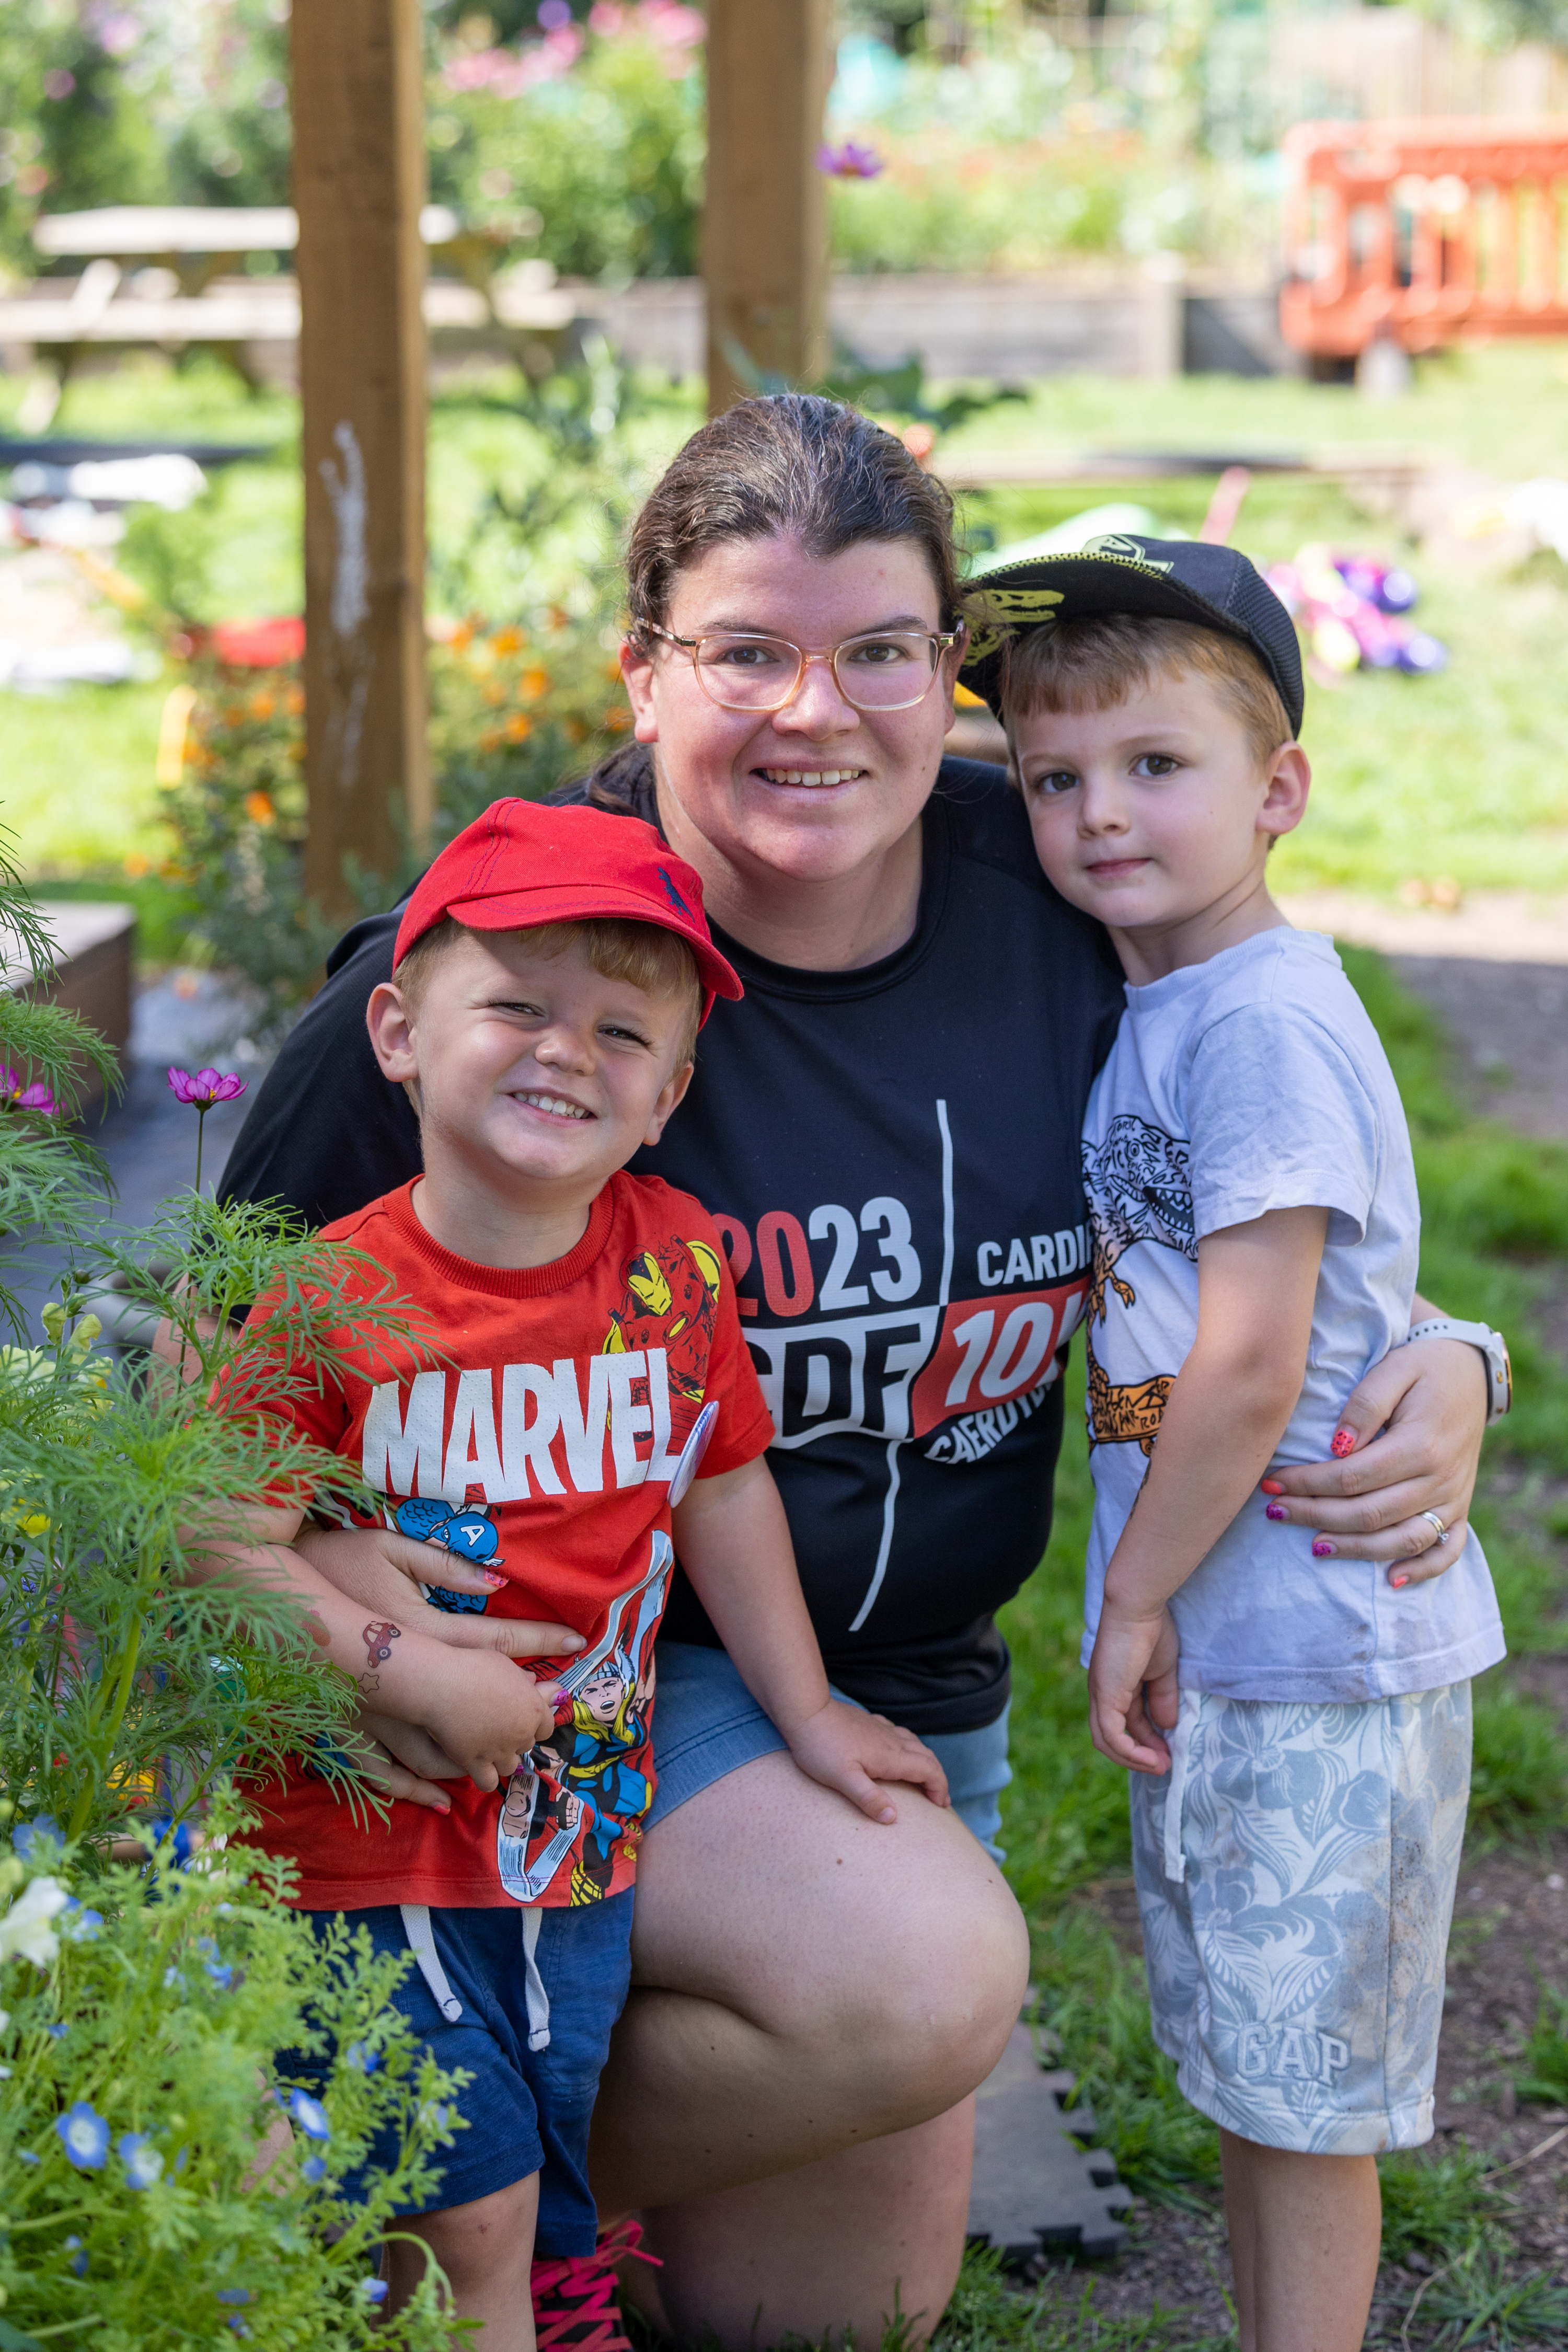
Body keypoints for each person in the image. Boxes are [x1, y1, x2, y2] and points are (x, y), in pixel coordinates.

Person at [217, 396, 1495, 2350]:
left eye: (883, 651)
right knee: (910, 1982)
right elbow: (188, 1361)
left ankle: (522, 2104)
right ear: (644, 673)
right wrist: (330, 1585)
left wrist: (1446, 1354)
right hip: (560, 1674)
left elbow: (1271, 1151)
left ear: (949, 680)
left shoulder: (1058, 887)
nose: (819, 712)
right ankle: (413, 2153)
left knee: (841, 2311)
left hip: (889, 1696)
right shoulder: (520, 969)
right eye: (746, 652)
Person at [204, 798, 947, 2349]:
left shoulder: (672, 1260)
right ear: (400, 1034)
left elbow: (724, 1480)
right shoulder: (330, 1293)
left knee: (557, 2097)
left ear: (671, 1092)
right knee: (450, 2173)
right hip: (375, 1817)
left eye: (622, 1031)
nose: (566, 1052)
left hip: (578, 1810)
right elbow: (218, 1537)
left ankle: (542, 2289)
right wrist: (394, 1664)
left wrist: (805, 1711)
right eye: (519, 1006)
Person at [967, 534, 1508, 2352]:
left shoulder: (1261, 1019)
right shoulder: (1174, 1000)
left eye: (1156, 766)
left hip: (1316, 1643)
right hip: (1246, 1633)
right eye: (1056, 779)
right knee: (1254, 2077)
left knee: (1304, 2108)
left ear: (1279, 791)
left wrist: (1129, 1596)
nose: (1098, 815)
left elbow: (1261, 1354)